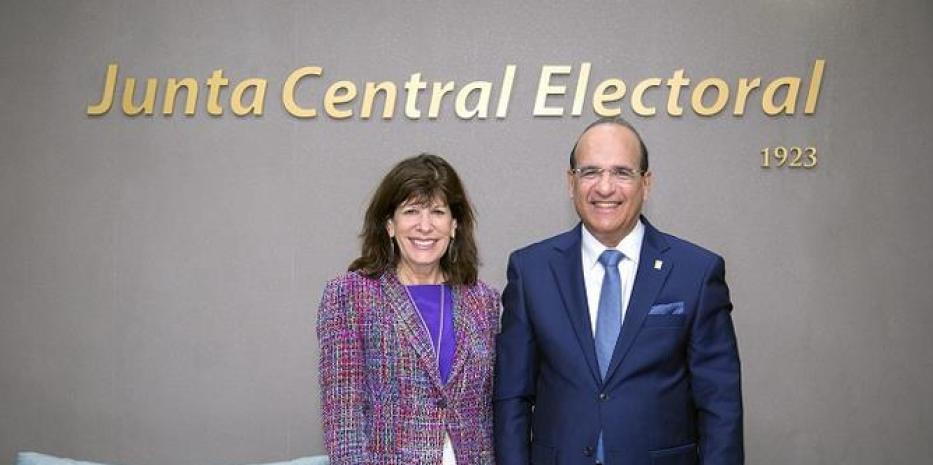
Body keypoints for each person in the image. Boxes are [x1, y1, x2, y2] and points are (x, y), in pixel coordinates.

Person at [493, 117, 743, 465]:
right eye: (590, 172)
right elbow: (512, 397)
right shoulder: (531, 270)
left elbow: (720, 404)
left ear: (646, 183)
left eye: (622, 173)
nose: (605, 187)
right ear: (571, 182)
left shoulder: (696, 273)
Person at [318, 153, 500, 465]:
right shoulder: (350, 296)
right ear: (390, 224)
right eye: (411, 211)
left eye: (438, 212)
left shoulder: (484, 301)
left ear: (454, 225)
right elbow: (344, 419)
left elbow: (492, 408)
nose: (425, 226)